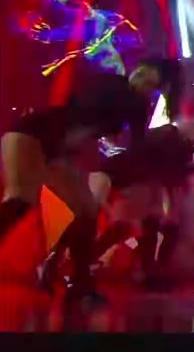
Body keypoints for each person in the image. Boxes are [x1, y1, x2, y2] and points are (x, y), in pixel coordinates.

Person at [0, 57, 180, 300]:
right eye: (141, 73)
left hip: (59, 150)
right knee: (21, 198)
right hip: (34, 133)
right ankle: (74, 278)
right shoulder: (112, 86)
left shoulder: (135, 103)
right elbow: (86, 110)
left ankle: (80, 282)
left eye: (150, 81)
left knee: (87, 210)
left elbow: (137, 144)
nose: (141, 79)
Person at [41, 117, 194, 291]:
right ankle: (67, 263)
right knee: (107, 221)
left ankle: (70, 263)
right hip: (125, 176)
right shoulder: (172, 139)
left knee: (127, 226)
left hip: (131, 178)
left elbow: (165, 174)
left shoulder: (177, 145)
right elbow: (161, 168)